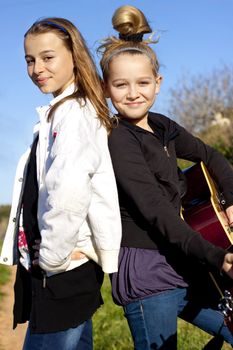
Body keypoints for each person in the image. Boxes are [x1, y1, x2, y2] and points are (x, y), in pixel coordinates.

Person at [98, 5, 233, 350]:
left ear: (157, 84)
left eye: (142, 82)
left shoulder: (163, 126)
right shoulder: (119, 139)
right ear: (105, 87)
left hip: (186, 260)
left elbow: (211, 156)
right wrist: (217, 256)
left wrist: (231, 200)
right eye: (121, 84)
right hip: (147, 271)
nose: (133, 93)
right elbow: (157, 210)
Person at [0, 17, 122, 350]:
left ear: (73, 55)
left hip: (62, 270)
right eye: (29, 59)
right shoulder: (59, 112)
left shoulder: (75, 114)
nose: (37, 67)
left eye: (47, 57)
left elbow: (67, 191)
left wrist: (52, 259)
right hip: (61, 267)